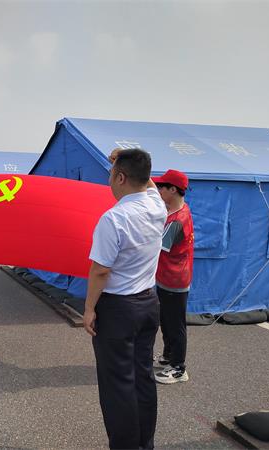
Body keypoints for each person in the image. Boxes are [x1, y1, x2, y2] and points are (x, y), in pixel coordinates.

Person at [82, 148, 167, 449]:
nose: (109, 179)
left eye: (111, 174)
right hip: (148, 303)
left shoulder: (114, 218)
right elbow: (149, 184)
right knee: (143, 376)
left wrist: (89, 308)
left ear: (120, 178)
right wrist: (128, 159)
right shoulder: (158, 206)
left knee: (118, 384)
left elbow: (101, 270)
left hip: (118, 308)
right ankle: (145, 443)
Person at [151, 169, 194, 384]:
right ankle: (169, 356)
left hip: (174, 280)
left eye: (162, 187)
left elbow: (158, 247)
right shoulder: (176, 209)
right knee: (167, 321)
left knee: (175, 325)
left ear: (173, 190)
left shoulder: (178, 220)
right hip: (168, 276)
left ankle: (178, 368)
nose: (158, 190)